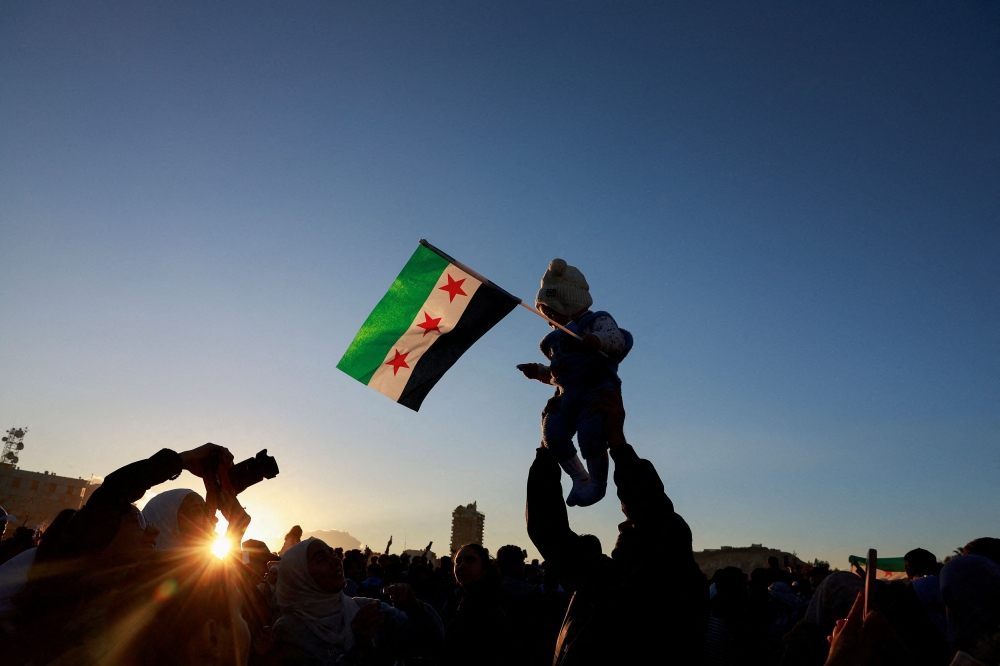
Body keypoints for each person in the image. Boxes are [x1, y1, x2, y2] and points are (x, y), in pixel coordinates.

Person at [525, 389, 708, 665]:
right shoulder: (603, 581)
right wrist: (549, 445)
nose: (622, 525)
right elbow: (548, 531)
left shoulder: (672, 584)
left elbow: (651, 509)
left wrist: (617, 442)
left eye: (633, 522)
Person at [517, 258, 632, 507]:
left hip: (596, 390)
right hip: (568, 396)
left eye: (550, 311)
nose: (548, 319)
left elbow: (617, 338)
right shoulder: (557, 341)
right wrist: (538, 372)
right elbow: (560, 375)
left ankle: (598, 485)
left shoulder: (597, 321)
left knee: (591, 434)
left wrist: (597, 340)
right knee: (552, 431)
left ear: (568, 302)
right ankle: (579, 477)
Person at [271, 537, 443, 665]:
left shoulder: (366, 608)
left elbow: (433, 639)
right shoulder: (290, 630)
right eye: (321, 560)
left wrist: (415, 607)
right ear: (300, 577)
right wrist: (361, 647)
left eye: (332, 553)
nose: (336, 561)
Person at [441, 543, 512, 665]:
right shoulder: (454, 599)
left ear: (484, 569)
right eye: (458, 562)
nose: (462, 566)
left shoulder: (490, 605)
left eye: (470, 560)